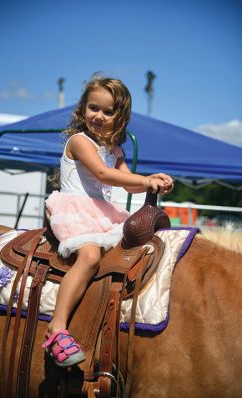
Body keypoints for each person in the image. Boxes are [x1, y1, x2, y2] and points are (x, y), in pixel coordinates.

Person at [42, 75, 174, 367]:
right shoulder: (79, 142)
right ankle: (58, 328)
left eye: (108, 111)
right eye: (93, 108)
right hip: (75, 210)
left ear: (119, 116)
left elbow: (127, 185)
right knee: (89, 258)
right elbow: (103, 175)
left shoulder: (115, 151)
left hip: (101, 212)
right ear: (82, 109)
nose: (98, 116)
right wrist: (144, 178)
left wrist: (152, 182)